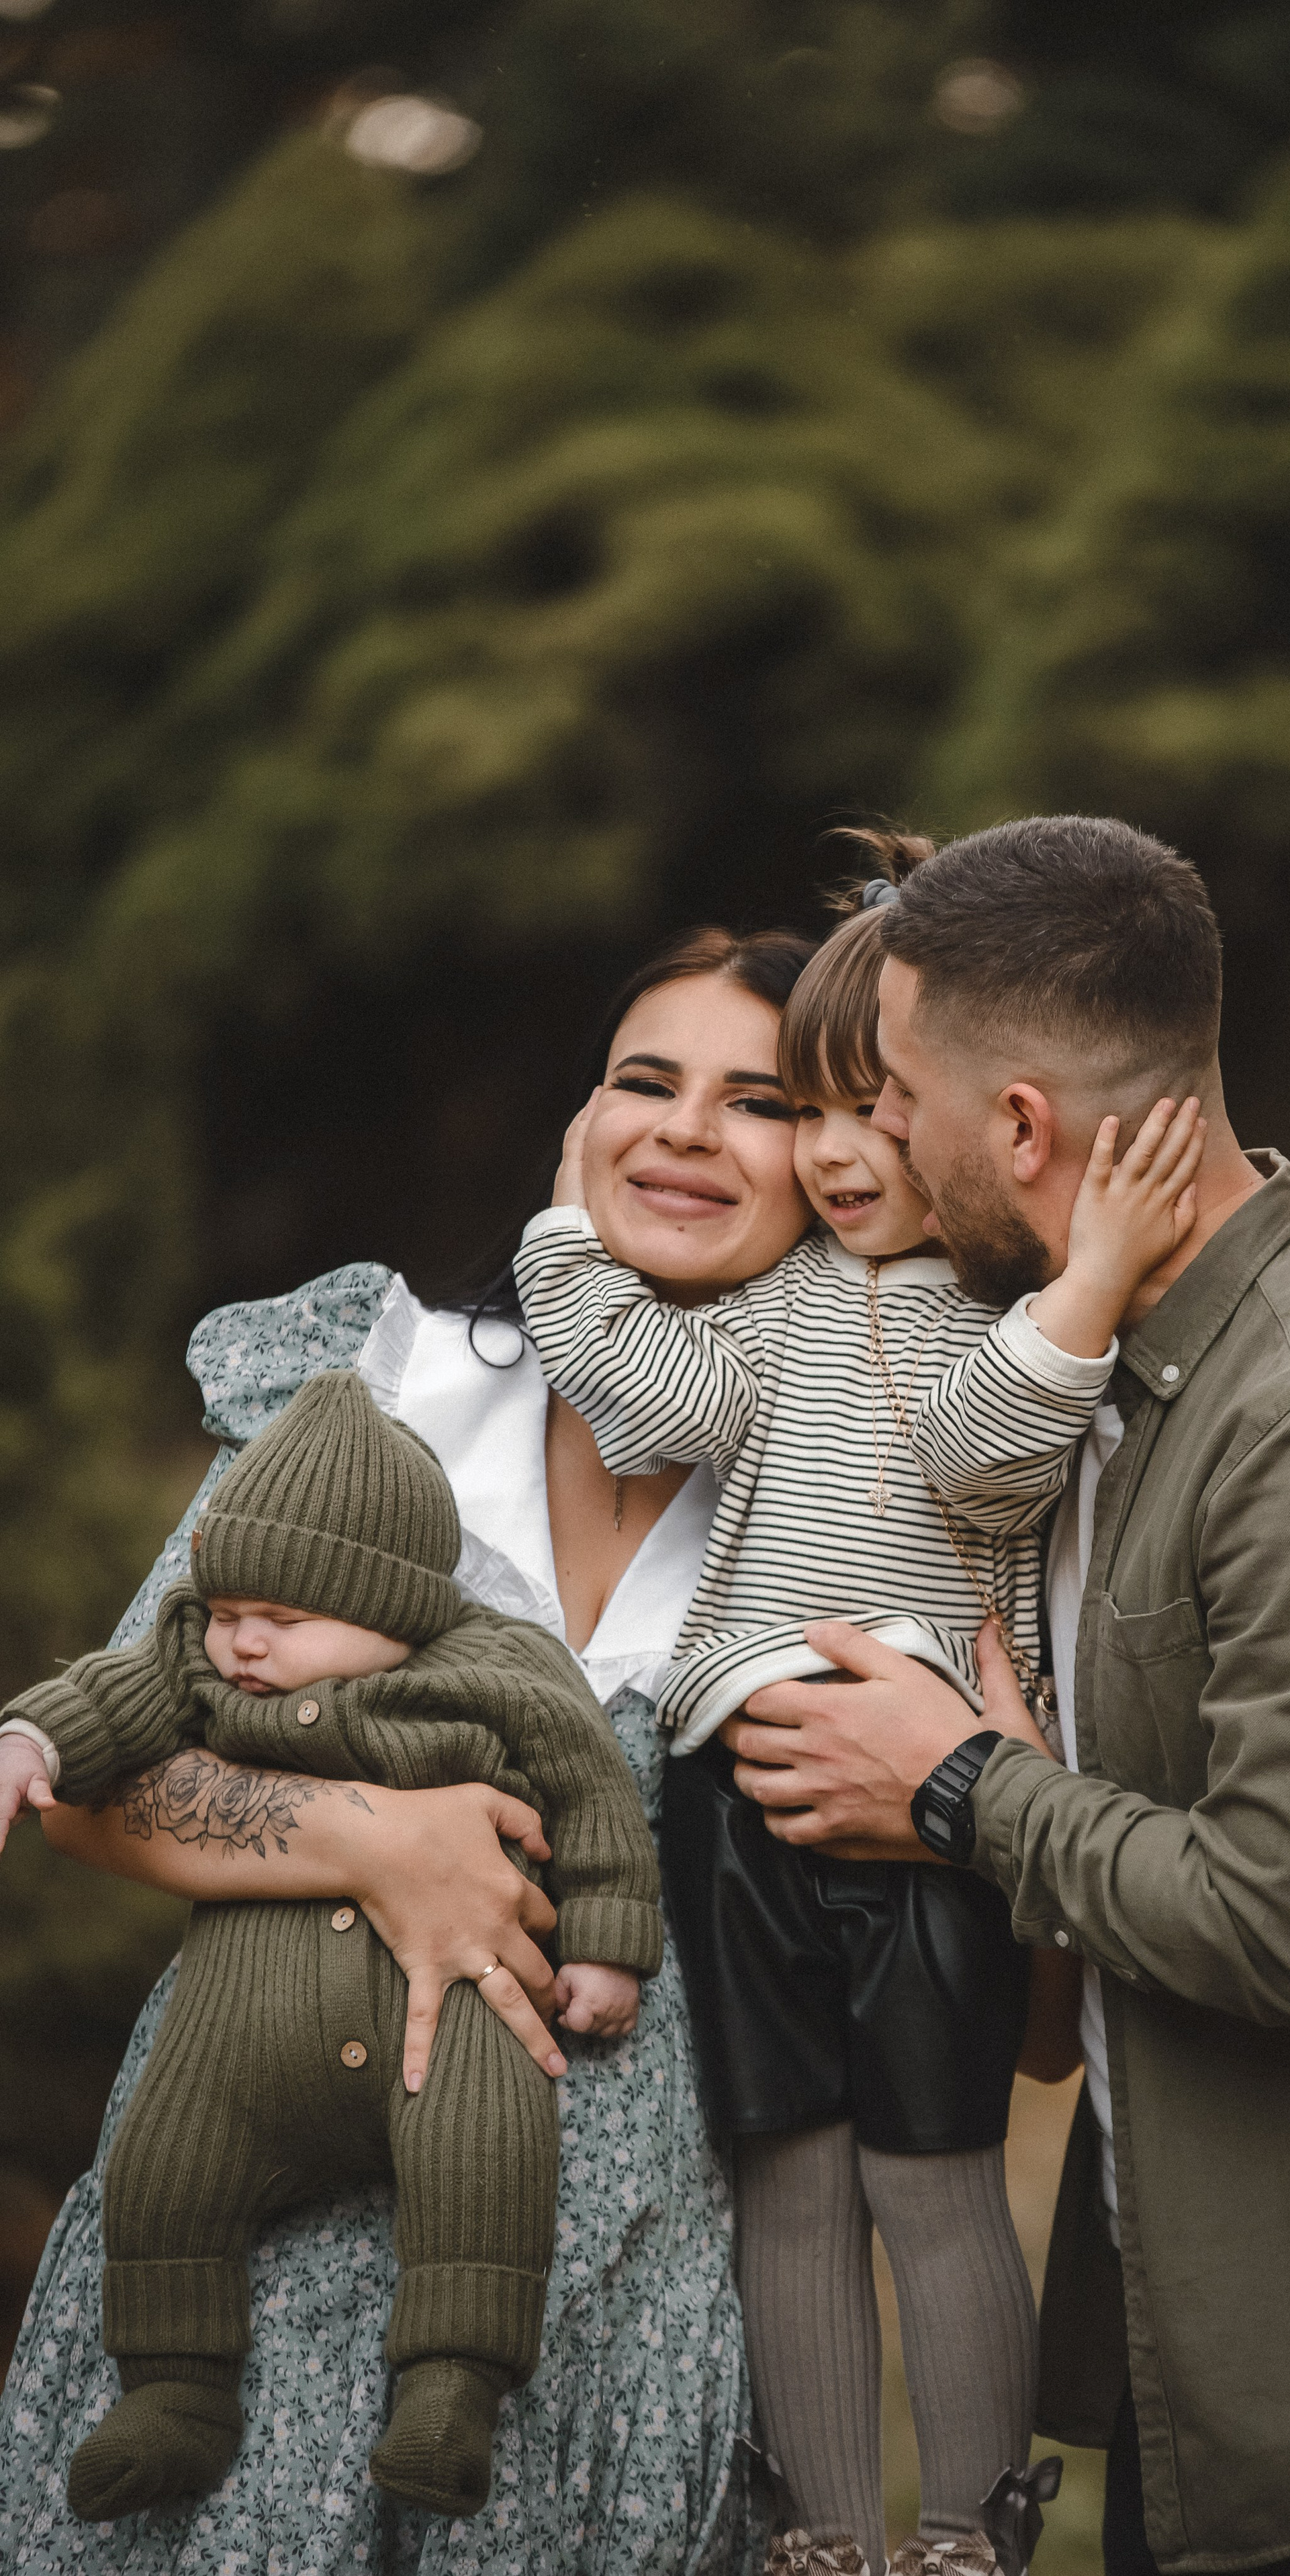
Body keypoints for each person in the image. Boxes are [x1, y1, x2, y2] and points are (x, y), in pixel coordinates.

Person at [713, 817, 1290, 2576]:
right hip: (1221, 2399)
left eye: (906, 1103)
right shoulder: (1129, 1385)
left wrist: (958, 1787)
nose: (889, 1155)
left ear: (1021, 1126)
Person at [0, 924, 813, 2576]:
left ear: (846, 1160)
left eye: (757, 1101)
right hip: (264, 2233)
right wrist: (372, 1836)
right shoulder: (381, 1399)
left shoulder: (840, 1487)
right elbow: (100, 1776)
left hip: (610, 2269)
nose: (682, 1129)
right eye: (642, 1080)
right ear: (576, 1125)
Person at [513, 854, 1205, 2576]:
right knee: (789, 2182)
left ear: (958, 1123)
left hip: (922, 1801)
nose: (830, 1153)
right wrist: (562, 1223)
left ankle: (969, 2532)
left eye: (868, 1111)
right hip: (731, 1786)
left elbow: (987, 1445)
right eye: (806, 1115)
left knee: (935, 2176)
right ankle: (826, 2530)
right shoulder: (766, 1306)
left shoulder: (998, 1311)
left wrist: (1084, 1286)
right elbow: (647, 1394)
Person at [0, 1371, 661, 2522]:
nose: (243, 1643)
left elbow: (595, 1797)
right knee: (161, 2170)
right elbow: (115, 1693)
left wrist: (607, 1947)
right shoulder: (200, 1660)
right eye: (227, 1610)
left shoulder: (498, 1671)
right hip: (235, 2042)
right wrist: (30, 1739)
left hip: (446, 2012)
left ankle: (451, 2387)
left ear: (392, 1606)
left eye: (285, 1622)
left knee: (490, 2150)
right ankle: (174, 2394)